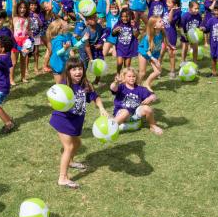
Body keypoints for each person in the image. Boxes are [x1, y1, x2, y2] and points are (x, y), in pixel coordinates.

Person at [49, 57, 108, 189]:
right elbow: (56, 97)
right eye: (74, 69)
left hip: (76, 121)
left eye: (80, 68)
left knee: (77, 143)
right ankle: (62, 178)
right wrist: (53, 100)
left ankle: (70, 161)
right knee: (68, 147)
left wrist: (102, 108)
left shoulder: (85, 85)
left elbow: (95, 97)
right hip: (62, 120)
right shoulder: (65, 85)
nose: (77, 72)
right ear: (68, 71)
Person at [110, 68, 163, 135]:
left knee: (147, 108)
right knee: (125, 112)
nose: (132, 78)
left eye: (134, 76)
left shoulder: (140, 89)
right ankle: (111, 128)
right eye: (129, 76)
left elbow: (154, 96)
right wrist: (116, 82)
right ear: (124, 77)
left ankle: (153, 126)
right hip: (121, 114)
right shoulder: (121, 87)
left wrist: (150, 98)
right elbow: (113, 88)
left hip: (134, 115)